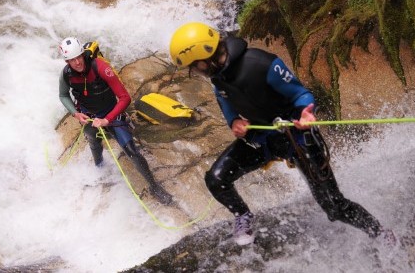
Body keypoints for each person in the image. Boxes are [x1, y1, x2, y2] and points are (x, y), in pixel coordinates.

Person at [169, 22, 394, 245]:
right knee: (216, 179)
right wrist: (234, 121)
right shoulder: (218, 77)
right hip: (262, 138)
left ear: (204, 58)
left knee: (334, 207)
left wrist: (307, 112)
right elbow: (224, 99)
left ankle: (381, 234)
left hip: (296, 135)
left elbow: (300, 94)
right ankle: (243, 215)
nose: (195, 72)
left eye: (194, 67)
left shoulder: (261, 64)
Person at [58, 36, 173, 205]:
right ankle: (99, 168)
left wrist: (107, 120)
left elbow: (124, 98)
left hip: (111, 113)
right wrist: (75, 113)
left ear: (83, 54)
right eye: (71, 60)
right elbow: (63, 95)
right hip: (89, 115)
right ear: (67, 61)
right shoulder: (66, 74)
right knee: (93, 141)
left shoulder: (100, 68)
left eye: (78, 57)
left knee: (132, 151)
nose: (77, 63)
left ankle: (154, 186)